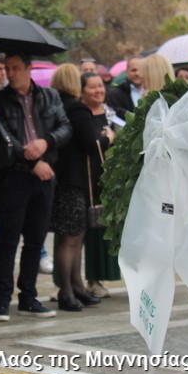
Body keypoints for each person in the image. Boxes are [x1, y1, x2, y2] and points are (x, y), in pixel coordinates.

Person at [0, 51, 72, 322]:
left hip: (46, 176)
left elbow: (65, 127)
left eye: (15, 68)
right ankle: (2, 301)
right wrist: (32, 162)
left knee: (36, 241)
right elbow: (3, 137)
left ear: (28, 69)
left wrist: (47, 141)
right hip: (15, 176)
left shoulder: (49, 96)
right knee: (8, 241)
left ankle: (28, 297)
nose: (10, 73)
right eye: (7, 68)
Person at [50, 65, 109, 311]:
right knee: (72, 237)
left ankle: (76, 286)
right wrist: (107, 138)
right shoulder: (76, 108)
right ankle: (67, 290)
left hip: (63, 177)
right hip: (74, 180)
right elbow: (90, 143)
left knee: (74, 235)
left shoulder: (55, 105)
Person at [78, 72, 120, 299]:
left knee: (102, 229)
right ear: (82, 91)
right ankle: (78, 280)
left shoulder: (112, 114)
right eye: (92, 87)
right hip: (85, 179)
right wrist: (107, 139)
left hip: (108, 179)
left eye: (100, 86)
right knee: (83, 232)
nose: (98, 91)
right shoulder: (80, 115)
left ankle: (98, 279)